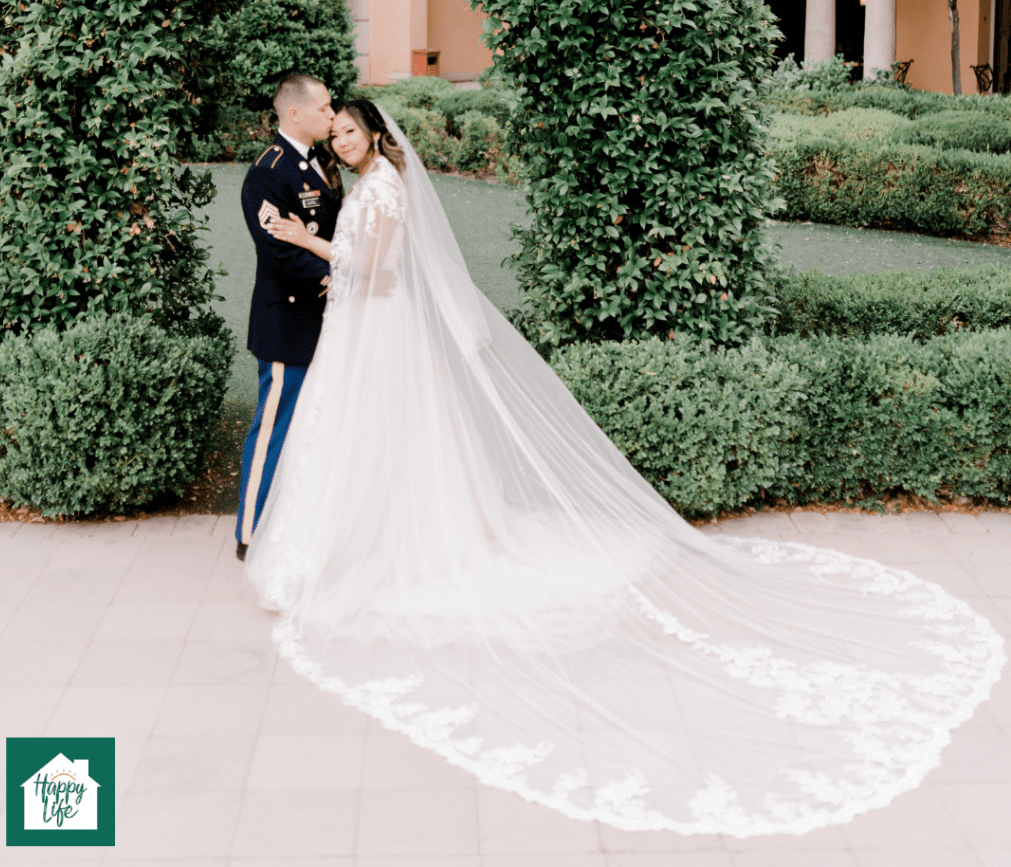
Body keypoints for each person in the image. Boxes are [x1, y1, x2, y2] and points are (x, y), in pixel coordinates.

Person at [246, 99, 1006, 836]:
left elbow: (372, 272)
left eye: (349, 131)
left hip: (375, 326)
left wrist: (303, 239)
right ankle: (374, 536)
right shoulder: (376, 183)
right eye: (336, 132)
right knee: (380, 440)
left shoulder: (380, 189)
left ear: (374, 135)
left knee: (377, 437)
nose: (341, 141)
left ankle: (375, 546)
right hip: (370, 332)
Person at [234, 74, 343, 562]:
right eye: (322, 107)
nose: (331, 113)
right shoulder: (267, 173)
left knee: (317, 426)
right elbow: (280, 253)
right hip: (290, 322)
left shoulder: (322, 161)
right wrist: (338, 281)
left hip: (331, 320)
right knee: (274, 426)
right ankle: (250, 532)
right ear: (294, 113)